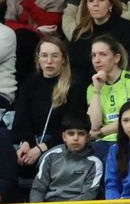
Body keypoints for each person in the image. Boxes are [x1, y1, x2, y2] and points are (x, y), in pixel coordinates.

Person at [13, 35, 85, 171]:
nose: (49, 61)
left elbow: (73, 124)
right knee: (8, 156)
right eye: (44, 56)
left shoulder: (74, 84)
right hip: (31, 141)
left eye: (55, 56)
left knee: (46, 161)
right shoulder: (29, 83)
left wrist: (41, 148)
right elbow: (21, 121)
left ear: (63, 59)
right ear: (38, 58)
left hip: (57, 142)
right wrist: (25, 143)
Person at [29, 112, 103, 204]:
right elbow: (38, 188)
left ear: (88, 137)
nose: (76, 138)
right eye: (71, 133)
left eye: (81, 134)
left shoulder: (95, 163)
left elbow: (88, 196)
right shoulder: (51, 156)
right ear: (64, 136)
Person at [65, 0, 130, 81]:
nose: (95, 4)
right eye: (91, 0)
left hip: (118, 83)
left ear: (111, 4)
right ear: (87, 6)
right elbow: (74, 66)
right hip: (86, 85)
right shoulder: (80, 32)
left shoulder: (125, 27)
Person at [86, 35, 130, 145]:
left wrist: (101, 133)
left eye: (103, 54)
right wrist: (97, 90)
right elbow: (94, 125)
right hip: (103, 141)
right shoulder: (92, 87)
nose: (96, 60)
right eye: (93, 55)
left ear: (116, 58)